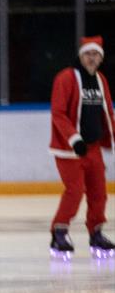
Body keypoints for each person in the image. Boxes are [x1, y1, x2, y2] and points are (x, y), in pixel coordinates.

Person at [49, 35, 115, 260]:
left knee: (99, 193)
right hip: (69, 150)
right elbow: (58, 113)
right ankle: (59, 232)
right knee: (75, 191)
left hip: (93, 148)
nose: (92, 58)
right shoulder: (66, 78)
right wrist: (74, 138)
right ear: (80, 55)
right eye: (88, 54)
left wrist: (112, 139)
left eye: (96, 54)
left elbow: (108, 113)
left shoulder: (101, 80)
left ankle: (96, 233)